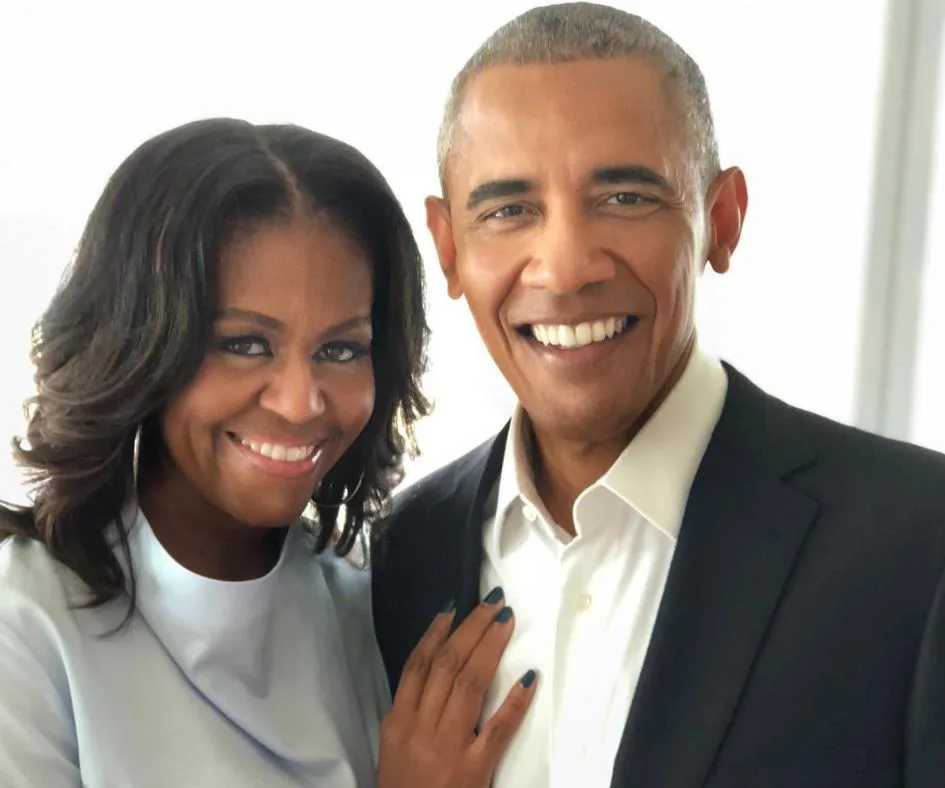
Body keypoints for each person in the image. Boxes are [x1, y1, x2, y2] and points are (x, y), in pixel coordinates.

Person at [371, 4, 945, 787]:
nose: (565, 267)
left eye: (625, 198)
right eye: (509, 210)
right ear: (447, 247)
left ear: (722, 220)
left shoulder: (918, 543)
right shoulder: (401, 553)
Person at [0, 118, 536, 787]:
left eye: (340, 350)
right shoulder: (23, 625)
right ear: (136, 346)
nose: (299, 402)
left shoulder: (372, 602)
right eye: (246, 344)